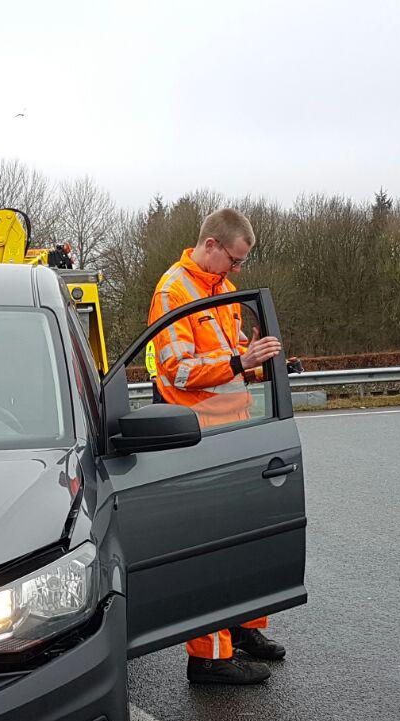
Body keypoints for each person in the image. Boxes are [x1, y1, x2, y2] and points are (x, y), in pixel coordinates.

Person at [146, 208, 287, 686]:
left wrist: (263, 364)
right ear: (211, 245)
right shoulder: (173, 291)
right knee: (209, 548)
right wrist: (240, 362)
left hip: (234, 430)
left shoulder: (223, 291)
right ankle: (208, 658)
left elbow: (233, 358)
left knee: (246, 539)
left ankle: (243, 629)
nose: (238, 269)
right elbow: (177, 370)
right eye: (235, 259)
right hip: (198, 435)